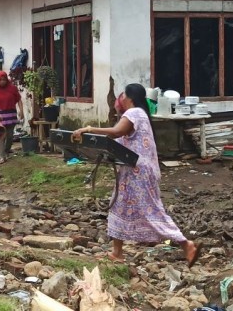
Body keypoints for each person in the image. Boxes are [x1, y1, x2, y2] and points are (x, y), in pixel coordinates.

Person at [73, 83, 202, 267]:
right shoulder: (140, 114)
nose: (120, 98)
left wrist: (89, 129)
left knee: (152, 211)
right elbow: (118, 141)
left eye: (123, 94)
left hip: (138, 173)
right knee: (118, 206)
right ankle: (117, 252)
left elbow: (118, 132)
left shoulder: (134, 113)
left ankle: (186, 244)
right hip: (131, 171)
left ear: (130, 97)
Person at [0, 71, 24, 164]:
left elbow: (19, 100)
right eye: (0, 80)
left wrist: (22, 111)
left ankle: (6, 151)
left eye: (4, 79)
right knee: (1, 136)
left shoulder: (12, 89)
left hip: (11, 115)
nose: (2, 81)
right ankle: (2, 156)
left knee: (10, 136)